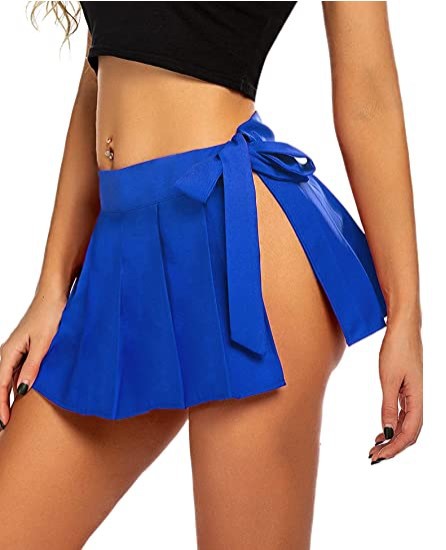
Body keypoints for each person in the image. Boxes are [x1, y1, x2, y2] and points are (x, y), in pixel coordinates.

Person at [0, 2, 422, 548]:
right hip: (122, 253)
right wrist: (51, 288)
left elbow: (368, 94)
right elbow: (101, 69)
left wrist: (406, 315)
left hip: (240, 252)